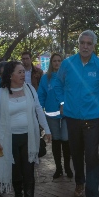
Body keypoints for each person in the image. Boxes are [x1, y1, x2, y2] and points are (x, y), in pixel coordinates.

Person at [56, 30, 99, 197]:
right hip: (72, 118)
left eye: (89, 43)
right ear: (78, 44)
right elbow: (58, 84)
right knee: (77, 153)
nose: (85, 46)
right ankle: (79, 182)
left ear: (94, 46)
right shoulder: (68, 63)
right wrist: (63, 102)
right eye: (82, 43)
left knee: (91, 156)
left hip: (93, 119)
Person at [0, 61, 51, 197]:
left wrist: (47, 130)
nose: (23, 74)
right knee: (16, 172)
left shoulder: (30, 90)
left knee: (28, 172)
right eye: (20, 72)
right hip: (9, 139)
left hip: (29, 137)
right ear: (10, 75)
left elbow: (39, 110)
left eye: (24, 72)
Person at [37, 52, 72, 180]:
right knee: (56, 140)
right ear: (51, 63)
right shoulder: (45, 78)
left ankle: (68, 167)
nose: (57, 63)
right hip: (51, 114)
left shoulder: (67, 76)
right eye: (54, 61)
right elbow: (41, 95)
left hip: (67, 114)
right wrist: (39, 109)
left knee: (65, 139)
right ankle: (58, 168)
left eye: (59, 60)